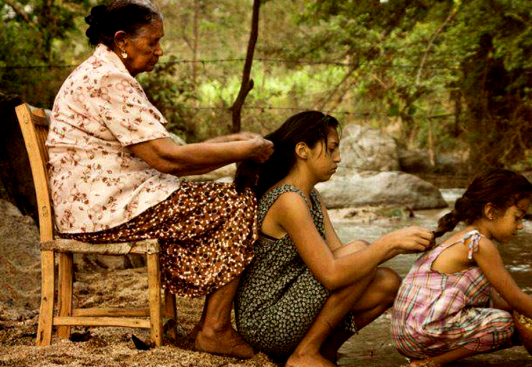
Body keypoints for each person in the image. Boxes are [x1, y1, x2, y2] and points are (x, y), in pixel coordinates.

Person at [46, 0, 274, 358]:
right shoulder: (108, 80)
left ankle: (208, 325)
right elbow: (167, 159)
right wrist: (244, 151)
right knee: (237, 201)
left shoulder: (104, 73)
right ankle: (214, 329)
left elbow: (172, 152)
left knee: (217, 200)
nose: (159, 51)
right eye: (152, 42)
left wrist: (231, 144)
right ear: (122, 40)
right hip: (104, 212)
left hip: (105, 205)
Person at [233, 111, 435, 367]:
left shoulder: (312, 197)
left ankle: (324, 351)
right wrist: (390, 244)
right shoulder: (288, 199)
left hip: (292, 305)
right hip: (266, 321)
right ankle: (304, 354)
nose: (337, 158)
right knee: (361, 251)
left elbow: (344, 258)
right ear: (303, 150)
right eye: (331, 149)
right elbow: (331, 274)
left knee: (386, 282)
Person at [390, 168, 532, 366]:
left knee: (516, 316)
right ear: (490, 211)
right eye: (517, 217)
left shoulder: (463, 238)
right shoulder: (479, 243)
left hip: (409, 334)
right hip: (421, 333)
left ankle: (430, 357)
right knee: (505, 324)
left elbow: (494, 300)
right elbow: (513, 297)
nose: (521, 226)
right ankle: (432, 363)